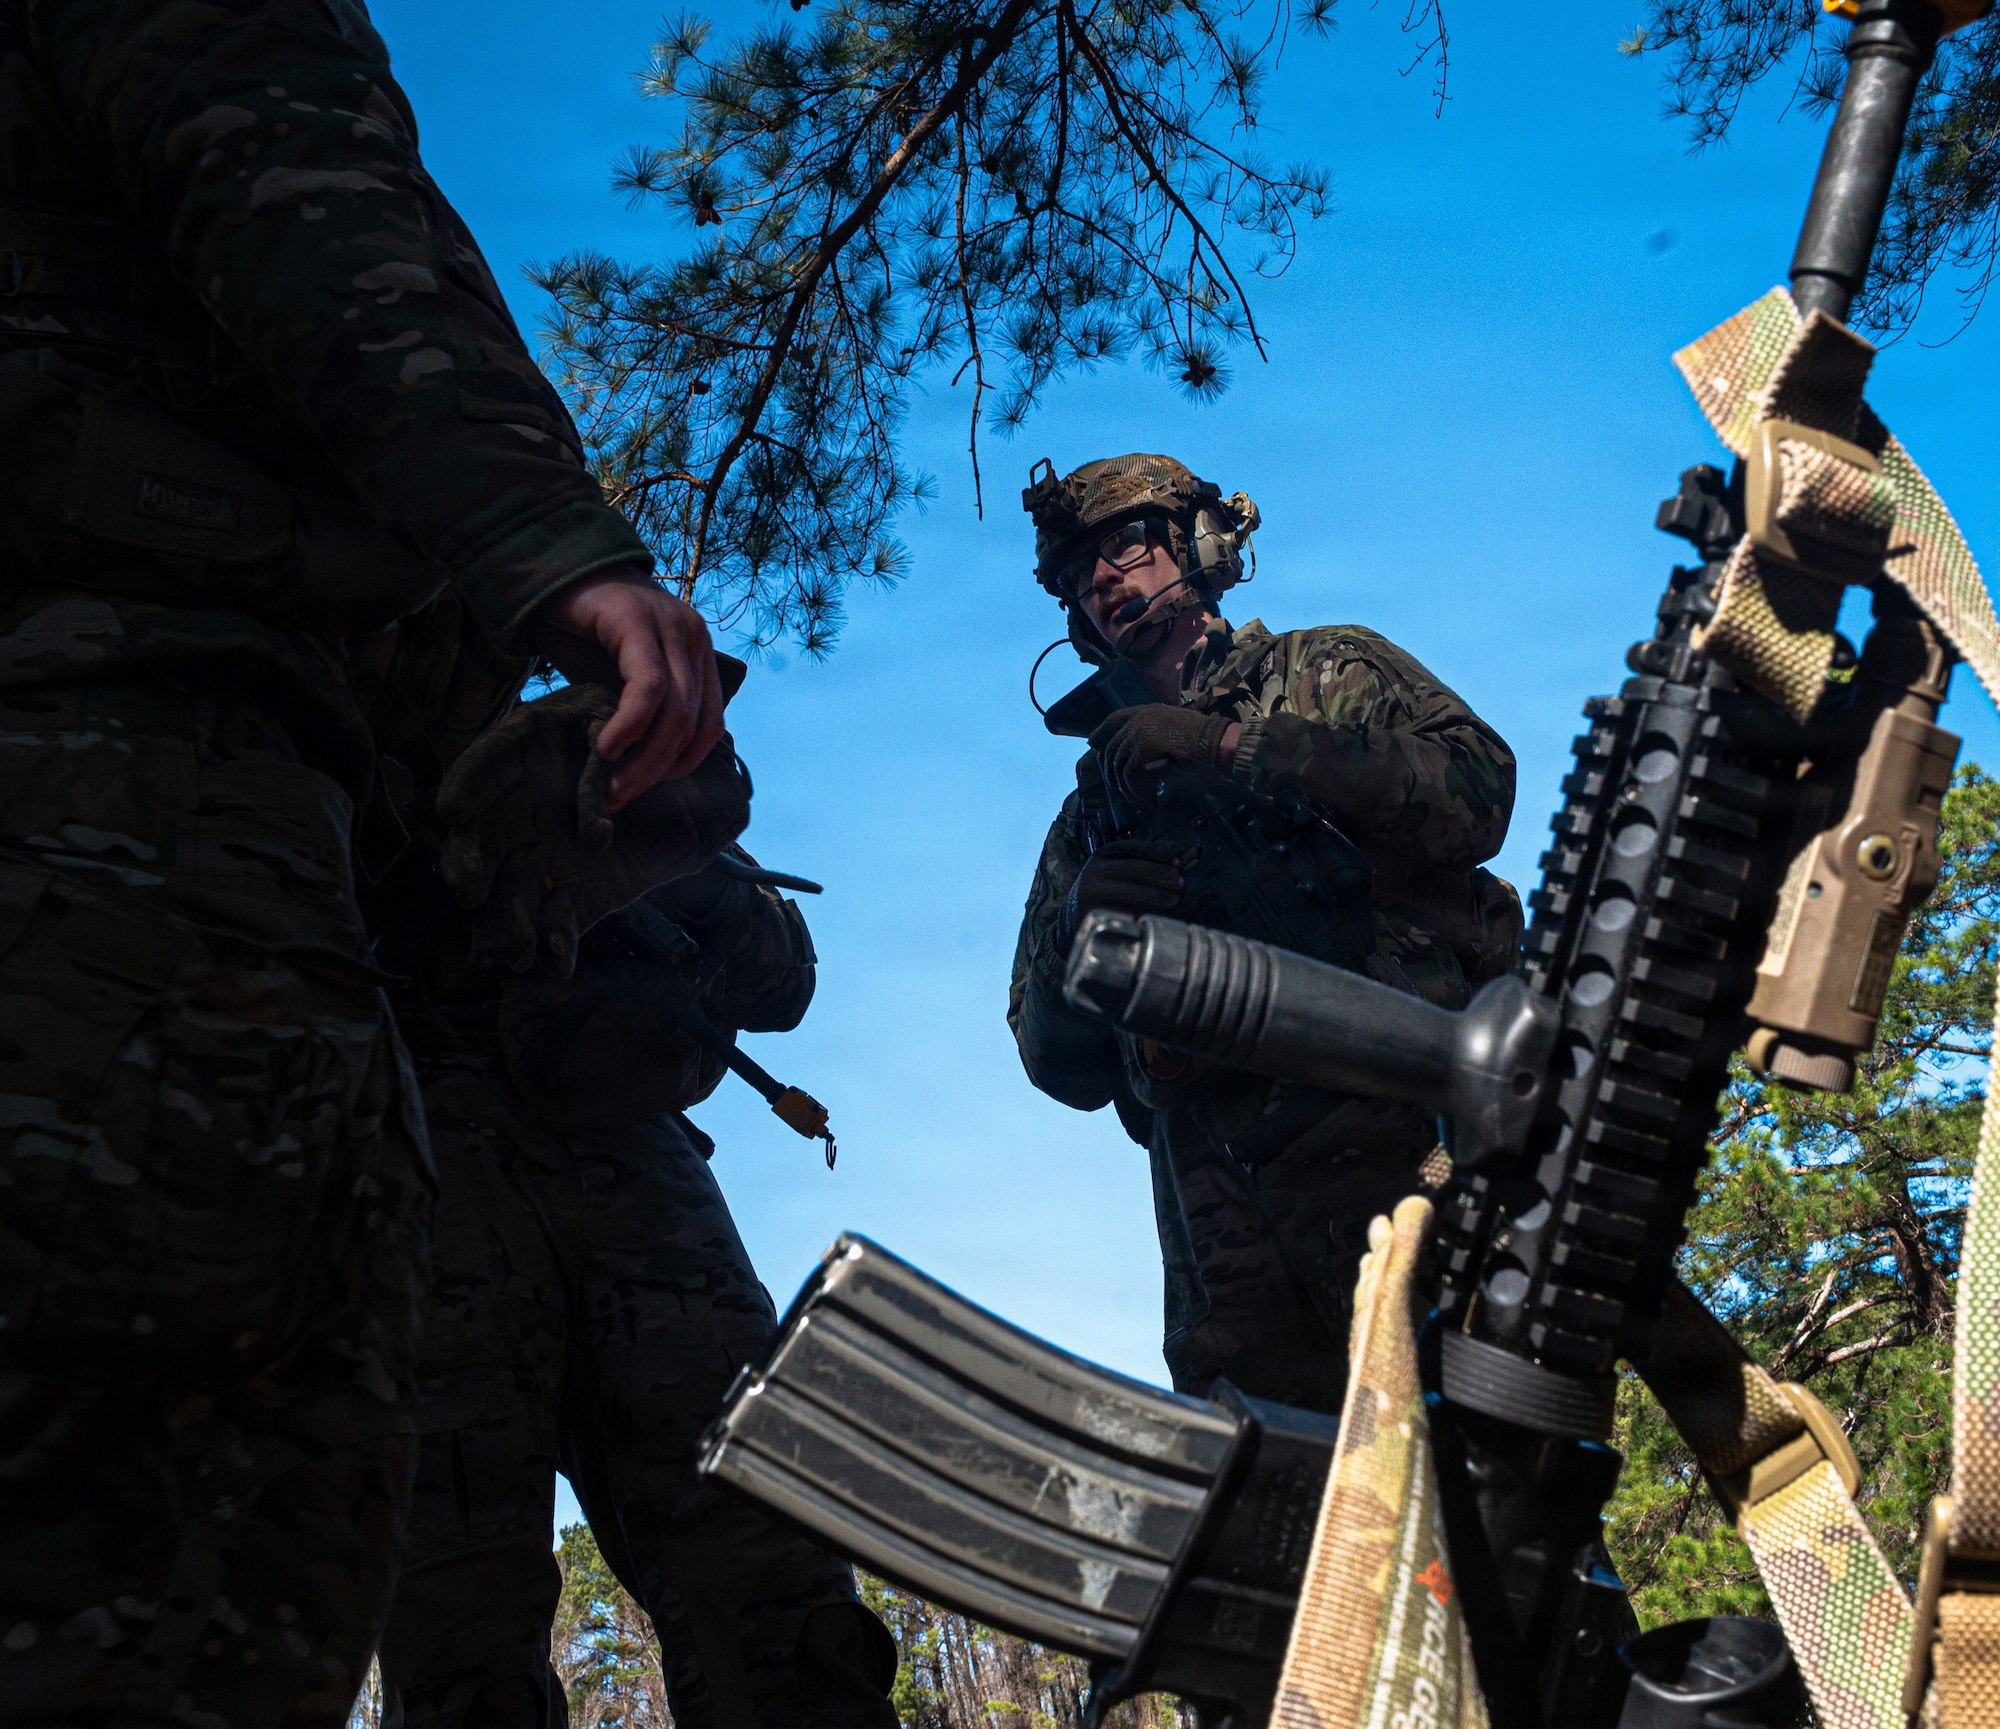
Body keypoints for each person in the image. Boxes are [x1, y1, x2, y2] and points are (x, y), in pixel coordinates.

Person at [0, 3, 721, 1721]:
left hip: (484, 1080)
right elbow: (300, 195)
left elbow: (757, 967)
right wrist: (546, 540)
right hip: (134, 808)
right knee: (196, 1571)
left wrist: (576, 856)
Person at [367, 796, 899, 1729]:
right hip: (421, 1149)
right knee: (463, 1647)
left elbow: (781, 981)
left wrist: (676, 857)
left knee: (789, 1608)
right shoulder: (367, 714)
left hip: (643, 1179)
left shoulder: (587, 756)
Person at [1009, 453, 1522, 1417]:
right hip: (1229, 1240)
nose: (1106, 580)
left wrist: (1234, 749)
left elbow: (1478, 789)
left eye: (1125, 545)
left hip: (1420, 1157)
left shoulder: (1326, 669)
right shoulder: (1095, 816)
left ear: (1199, 544)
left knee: (1492, 1477)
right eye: (1082, 578)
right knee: (1282, 1533)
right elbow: (1052, 1060)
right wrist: (1086, 931)